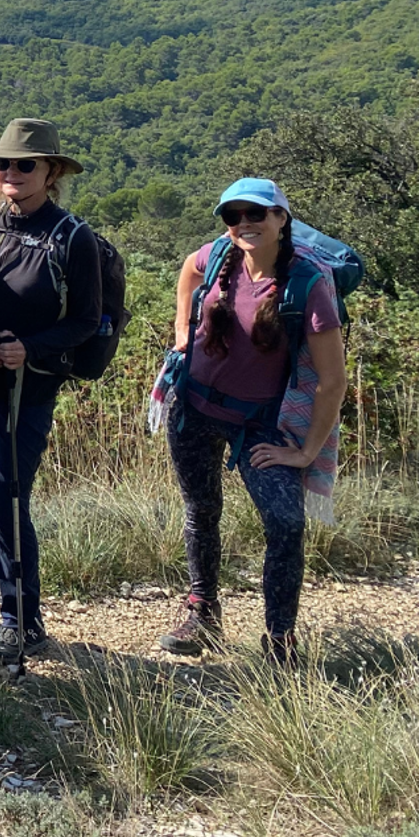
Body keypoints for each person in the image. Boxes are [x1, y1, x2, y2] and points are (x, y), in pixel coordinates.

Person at [157, 179, 348, 661]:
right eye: (233, 215)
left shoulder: (308, 282)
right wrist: (183, 329)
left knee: (285, 523)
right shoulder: (219, 254)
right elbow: (188, 270)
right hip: (194, 407)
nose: (244, 223)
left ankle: (280, 640)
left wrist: (305, 452)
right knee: (201, 511)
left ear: (282, 219)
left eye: (256, 214)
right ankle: (203, 614)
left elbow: (332, 381)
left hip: (261, 424)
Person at [0, 119, 102, 667]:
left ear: (51, 172)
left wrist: (25, 349)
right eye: (2, 163)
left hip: (27, 389)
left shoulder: (74, 238)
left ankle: (21, 619)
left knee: (5, 496)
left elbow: (86, 320)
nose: (10, 172)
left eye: (25, 164)